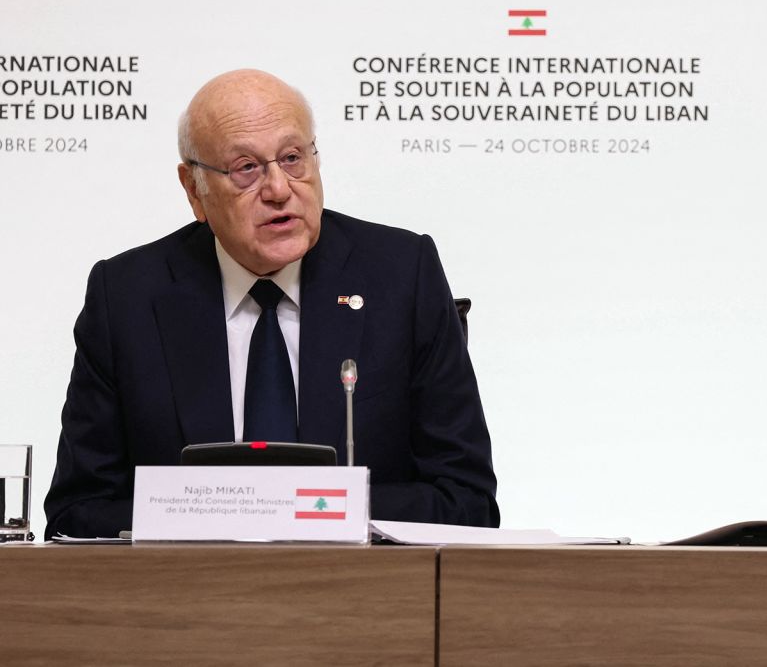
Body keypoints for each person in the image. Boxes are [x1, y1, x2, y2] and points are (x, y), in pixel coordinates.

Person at [45, 69, 498, 538]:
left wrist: (302, 512)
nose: (279, 188)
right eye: (246, 168)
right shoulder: (127, 297)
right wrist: (230, 517)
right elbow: (76, 512)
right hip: (189, 596)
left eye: (293, 158)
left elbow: (466, 500)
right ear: (193, 189)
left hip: (364, 596)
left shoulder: (402, 276)